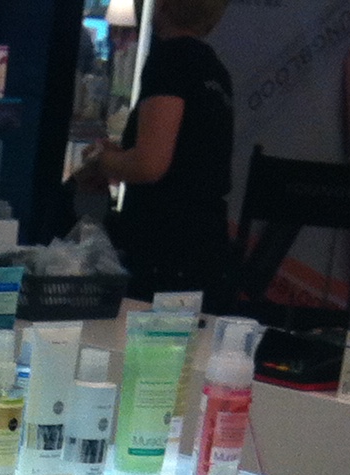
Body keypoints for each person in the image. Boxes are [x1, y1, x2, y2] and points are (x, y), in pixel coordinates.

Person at [78, 0, 236, 306]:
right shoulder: (215, 69)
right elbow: (188, 157)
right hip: (206, 242)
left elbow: (149, 164)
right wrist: (121, 157)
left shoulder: (171, 60)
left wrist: (101, 161)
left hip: (164, 245)